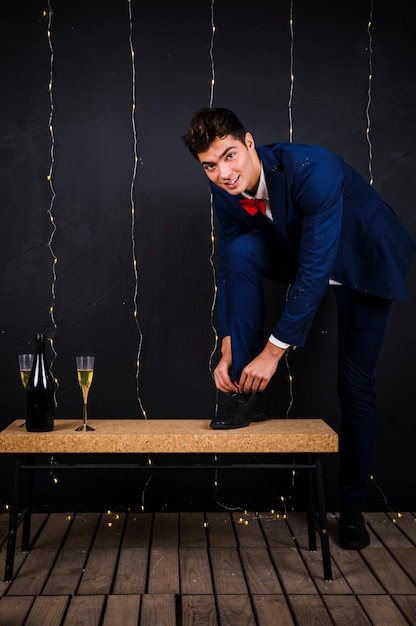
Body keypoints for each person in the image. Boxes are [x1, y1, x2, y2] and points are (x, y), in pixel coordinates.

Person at [182, 107, 416, 550]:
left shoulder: (313, 170)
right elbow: (231, 265)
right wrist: (231, 341)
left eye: (230, 156)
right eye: (210, 166)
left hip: (363, 256)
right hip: (305, 246)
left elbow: (314, 270)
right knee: (241, 254)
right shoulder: (224, 190)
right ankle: (247, 394)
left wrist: (272, 353)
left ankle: (350, 509)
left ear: (250, 142)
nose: (223, 174)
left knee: (355, 387)